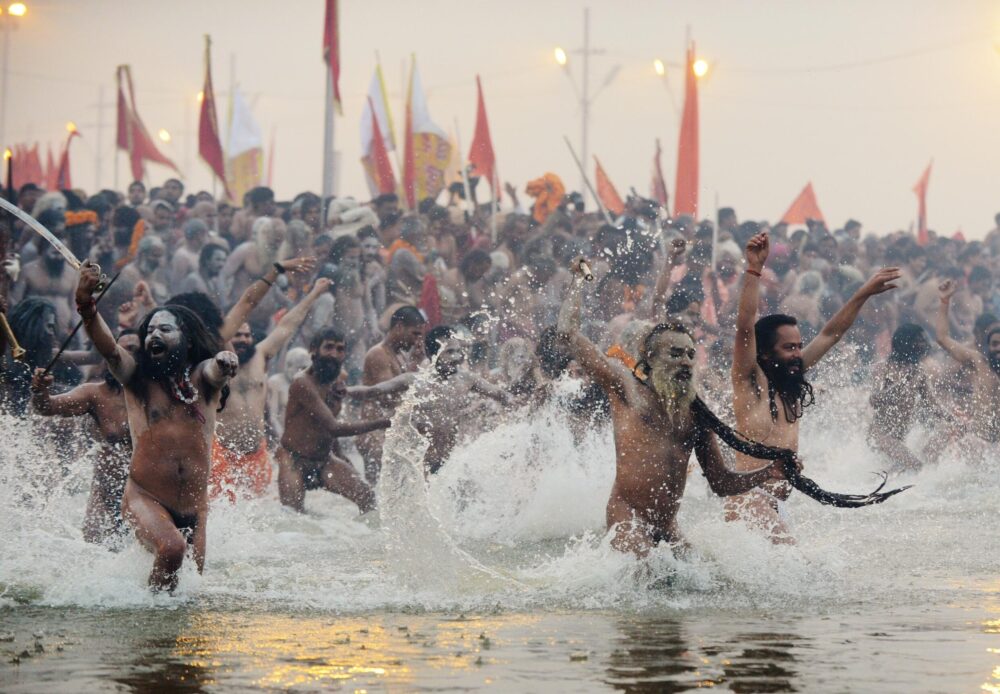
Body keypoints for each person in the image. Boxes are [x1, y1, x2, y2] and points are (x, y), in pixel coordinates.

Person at [558, 257, 788, 556]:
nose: (685, 361)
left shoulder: (697, 415)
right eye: (676, 353)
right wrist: (577, 282)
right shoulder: (626, 387)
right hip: (629, 517)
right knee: (643, 573)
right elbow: (568, 334)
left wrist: (769, 472)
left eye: (691, 355)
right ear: (651, 359)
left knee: (710, 581)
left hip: (668, 526)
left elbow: (720, 482)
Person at [76, 261, 238, 592]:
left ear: (187, 341)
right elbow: (108, 346)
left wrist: (225, 361)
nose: (154, 335)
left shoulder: (202, 381)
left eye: (164, 330)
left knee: (189, 590)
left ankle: (157, 622)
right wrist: (86, 304)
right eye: (149, 331)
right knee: (172, 548)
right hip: (144, 497)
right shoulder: (135, 378)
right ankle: (152, 629)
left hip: (195, 506)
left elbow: (215, 369)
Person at [728, 232, 900, 542]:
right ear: (765, 353)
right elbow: (744, 324)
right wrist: (754, 269)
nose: (797, 355)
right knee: (795, 566)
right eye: (788, 348)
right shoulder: (751, 382)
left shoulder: (790, 383)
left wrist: (863, 293)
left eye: (798, 346)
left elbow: (831, 333)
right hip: (748, 503)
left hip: (777, 505)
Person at [209, 277, 332, 502]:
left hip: (257, 454)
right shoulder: (215, 365)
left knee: (259, 514)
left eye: (247, 335)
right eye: (238, 335)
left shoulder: (260, 355)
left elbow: (287, 324)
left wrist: (314, 294)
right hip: (222, 456)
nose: (244, 339)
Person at [277, 328, 409, 512]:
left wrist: (340, 455)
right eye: (328, 347)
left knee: (368, 500)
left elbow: (325, 425)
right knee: (292, 518)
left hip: (324, 460)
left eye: (340, 349)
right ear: (313, 350)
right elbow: (334, 427)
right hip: (294, 460)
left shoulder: (339, 379)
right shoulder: (302, 383)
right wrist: (385, 422)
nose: (334, 354)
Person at [30, 331, 141, 544]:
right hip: (104, 494)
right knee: (93, 557)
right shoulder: (95, 394)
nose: (124, 355)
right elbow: (47, 407)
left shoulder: (156, 394)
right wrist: (41, 392)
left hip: (145, 496)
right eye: (120, 349)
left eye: (133, 349)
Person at [414, 326, 510, 474]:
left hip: (453, 461)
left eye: (459, 351)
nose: (457, 357)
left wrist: (513, 400)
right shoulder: (418, 383)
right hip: (423, 463)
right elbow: (379, 391)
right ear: (433, 354)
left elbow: (498, 393)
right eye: (450, 352)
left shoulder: (466, 379)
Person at [867, 324, 951, 471]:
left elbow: (933, 405)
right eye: (919, 341)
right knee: (916, 467)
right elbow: (874, 400)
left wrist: (955, 421)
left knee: (899, 474)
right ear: (905, 342)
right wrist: (899, 385)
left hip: (900, 439)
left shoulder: (918, 371)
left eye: (924, 340)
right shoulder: (882, 368)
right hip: (880, 436)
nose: (924, 344)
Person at [357, 305, 426, 485]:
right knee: (378, 497)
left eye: (420, 335)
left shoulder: (401, 355)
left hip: (389, 433)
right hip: (374, 434)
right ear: (399, 327)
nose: (418, 340)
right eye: (415, 333)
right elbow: (388, 397)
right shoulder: (378, 354)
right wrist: (413, 365)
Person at [935, 279, 1000, 441]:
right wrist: (944, 301)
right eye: (994, 344)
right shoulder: (979, 361)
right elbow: (942, 338)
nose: (998, 348)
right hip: (980, 440)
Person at [266, 347, 310, 441]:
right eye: (300, 368)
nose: (303, 372)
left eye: (306, 368)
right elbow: (272, 417)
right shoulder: (275, 382)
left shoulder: (308, 384)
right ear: (289, 366)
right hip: (280, 438)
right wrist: (283, 439)